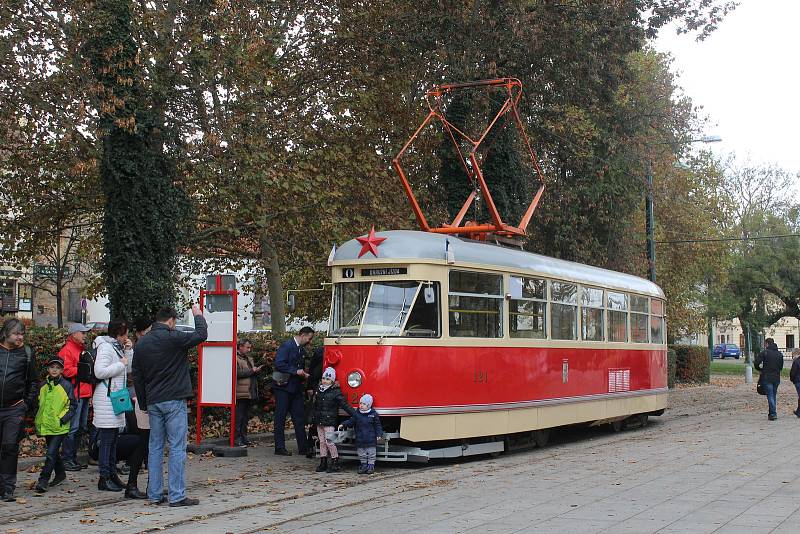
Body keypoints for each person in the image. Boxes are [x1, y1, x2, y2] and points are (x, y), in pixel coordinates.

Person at [132, 305, 207, 507]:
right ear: (172, 321)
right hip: (174, 399)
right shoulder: (174, 337)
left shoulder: (141, 344)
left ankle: (155, 494)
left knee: (154, 447)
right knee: (176, 447)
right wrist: (198, 314)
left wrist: (144, 402)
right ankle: (177, 495)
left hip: (154, 401)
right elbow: (201, 334)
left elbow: (137, 376)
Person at [0, 319, 37, 502]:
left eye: (22, 333)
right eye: (16, 333)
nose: (20, 337)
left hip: (14, 408)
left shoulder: (26, 353)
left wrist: (26, 404)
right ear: (6, 334)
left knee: (9, 446)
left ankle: (8, 487)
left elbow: (33, 381)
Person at [93, 319, 133, 491]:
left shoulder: (116, 348)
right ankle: (104, 477)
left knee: (114, 440)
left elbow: (128, 369)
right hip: (106, 400)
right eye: (125, 334)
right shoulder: (106, 348)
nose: (127, 337)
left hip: (115, 398)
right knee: (107, 441)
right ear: (118, 334)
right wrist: (120, 364)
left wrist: (129, 351)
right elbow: (99, 372)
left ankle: (112, 475)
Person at [33, 357, 77, 493]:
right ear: (48, 369)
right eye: (52, 367)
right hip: (46, 425)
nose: (54, 370)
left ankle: (43, 480)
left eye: (57, 368)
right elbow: (37, 404)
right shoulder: (43, 386)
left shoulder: (66, 386)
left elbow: (72, 406)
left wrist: (62, 419)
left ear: (62, 370)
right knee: (53, 454)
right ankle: (60, 474)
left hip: (59, 426)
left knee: (51, 454)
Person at [272, 326, 314, 456]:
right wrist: (296, 371)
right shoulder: (287, 346)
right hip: (283, 387)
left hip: (294, 387)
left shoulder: (299, 348)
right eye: (309, 338)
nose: (310, 341)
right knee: (280, 417)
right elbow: (279, 363)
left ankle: (303, 447)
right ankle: (279, 447)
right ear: (303, 335)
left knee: (299, 417)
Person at [124, 316, 152, 499]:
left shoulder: (143, 348)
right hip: (143, 403)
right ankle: (133, 484)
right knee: (144, 443)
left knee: (148, 445)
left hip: (144, 401)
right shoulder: (140, 349)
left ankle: (149, 484)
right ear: (141, 332)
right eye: (149, 330)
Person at [58, 322, 93, 472]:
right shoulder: (67, 350)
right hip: (76, 393)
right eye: (82, 333)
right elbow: (65, 371)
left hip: (84, 393)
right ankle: (67, 459)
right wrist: (82, 369)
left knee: (80, 427)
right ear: (74, 334)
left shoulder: (81, 350)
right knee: (73, 428)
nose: (85, 335)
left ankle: (72, 458)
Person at [311, 367, 354, 473]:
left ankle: (335, 461)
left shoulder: (335, 392)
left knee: (329, 441)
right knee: (321, 442)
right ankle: (323, 461)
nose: (325, 381)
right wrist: (310, 419)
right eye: (324, 378)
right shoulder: (319, 390)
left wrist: (354, 414)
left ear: (332, 381)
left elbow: (344, 404)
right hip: (319, 421)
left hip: (329, 421)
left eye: (328, 379)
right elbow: (314, 406)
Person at [339, 393, 383, 475]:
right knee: (361, 453)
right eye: (360, 403)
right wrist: (343, 424)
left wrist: (379, 434)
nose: (361, 405)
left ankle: (371, 465)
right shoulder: (357, 414)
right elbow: (351, 421)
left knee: (371, 453)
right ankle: (363, 465)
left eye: (364, 404)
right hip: (360, 438)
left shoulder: (373, 414)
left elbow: (378, 426)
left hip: (371, 438)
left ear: (369, 405)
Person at [235, 339, 263, 447]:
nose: (249, 349)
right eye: (247, 347)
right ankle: (237, 438)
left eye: (250, 347)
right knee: (239, 417)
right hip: (240, 392)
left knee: (245, 417)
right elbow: (236, 373)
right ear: (240, 347)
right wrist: (252, 371)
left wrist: (255, 371)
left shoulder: (249, 359)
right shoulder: (235, 358)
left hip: (248, 391)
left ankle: (243, 437)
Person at [755, 337, 784, 421]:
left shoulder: (765, 353)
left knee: (770, 395)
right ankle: (771, 413)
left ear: (767, 344)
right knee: (773, 395)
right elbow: (781, 366)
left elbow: (756, 362)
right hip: (776, 377)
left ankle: (773, 413)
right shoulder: (779, 354)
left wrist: (760, 369)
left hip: (767, 377)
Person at [790, 349, 800, 417]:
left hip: (798, 380)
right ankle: (798, 411)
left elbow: (793, 372)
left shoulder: (796, 361)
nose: (792, 357)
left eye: (792, 355)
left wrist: (792, 380)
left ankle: (799, 412)